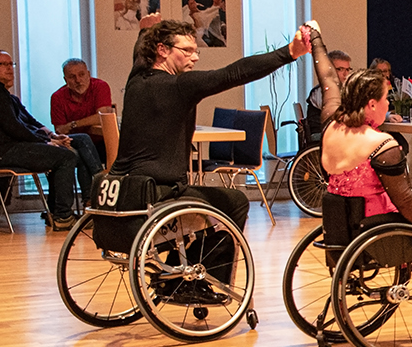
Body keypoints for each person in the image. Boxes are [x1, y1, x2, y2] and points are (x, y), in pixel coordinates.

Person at [308, 28, 412, 318]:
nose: (388, 104)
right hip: (377, 222)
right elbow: (405, 201)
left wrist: (315, 40)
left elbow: (328, 81)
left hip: (345, 219)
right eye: (386, 99)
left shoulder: (331, 125)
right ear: (372, 104)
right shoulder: (381, 143)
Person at [112, 19, 310, 229]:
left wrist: (145, 30)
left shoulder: (135, 79)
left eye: (195, 51)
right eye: (187, 51)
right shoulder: (179, 86)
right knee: (237, 202)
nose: (195, 57)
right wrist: (289, 52)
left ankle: (196, 248)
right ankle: (213, 252)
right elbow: (233, 74)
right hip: (159, 193)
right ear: (162, 50)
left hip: (124, 191)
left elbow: (140, 55)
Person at [0, 50, 101, 229]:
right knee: (66, 156)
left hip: (8, 147)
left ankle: (87, 198)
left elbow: (29, 121)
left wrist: (51, 136)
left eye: (10, 64)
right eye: (2, 64)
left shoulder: (2, 93)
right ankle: (62, 216)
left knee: (80, 139)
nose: (9, 69)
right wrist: (46, 142)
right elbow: (14, 128)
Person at [50, 58, 114, 163]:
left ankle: (97, 173)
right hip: (73, 142)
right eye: (72, 77)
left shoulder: (100, 86)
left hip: (100, 140)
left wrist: (73, 124)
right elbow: (60, 130)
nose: (78, 80)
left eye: (81, 75)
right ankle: (98, 173)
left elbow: (101, 117)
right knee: (81, 147)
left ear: (88, 74)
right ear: (66, 80)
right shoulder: (57, 97)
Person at [305, 49, 352, 139]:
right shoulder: (321, 91)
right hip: (320, 134)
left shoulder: (342, 89)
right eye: (340, 69)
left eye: (347, 69)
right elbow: (336, 115)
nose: (345, 74)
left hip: (334, 132)